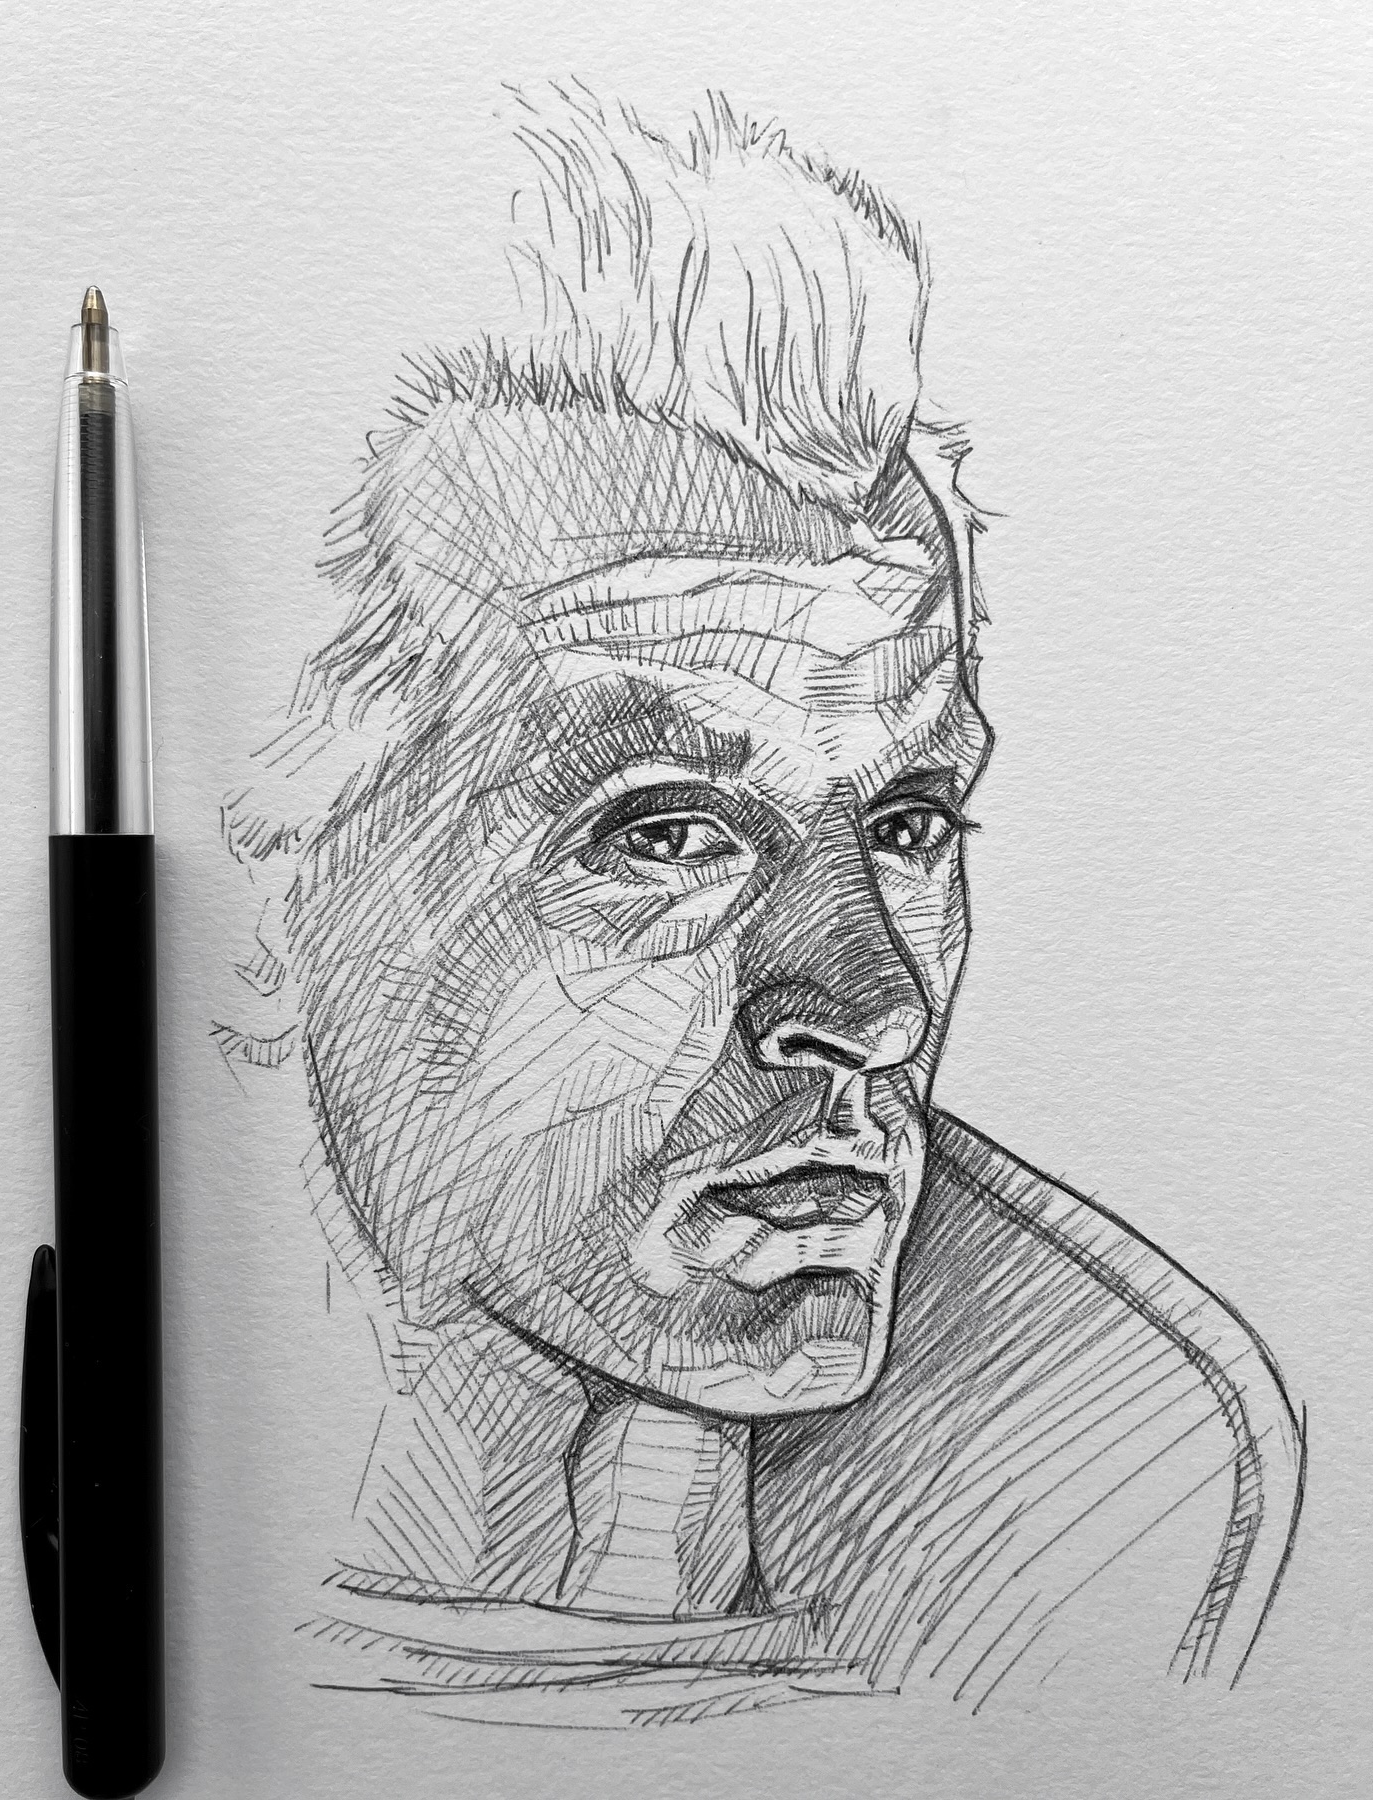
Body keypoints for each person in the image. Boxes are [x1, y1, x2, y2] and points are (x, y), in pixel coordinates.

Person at [221, 88, 1301, 1720]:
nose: (877, 1007)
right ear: (280, 890)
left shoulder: (1132, 1486)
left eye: (911, 822)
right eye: (666, 834)